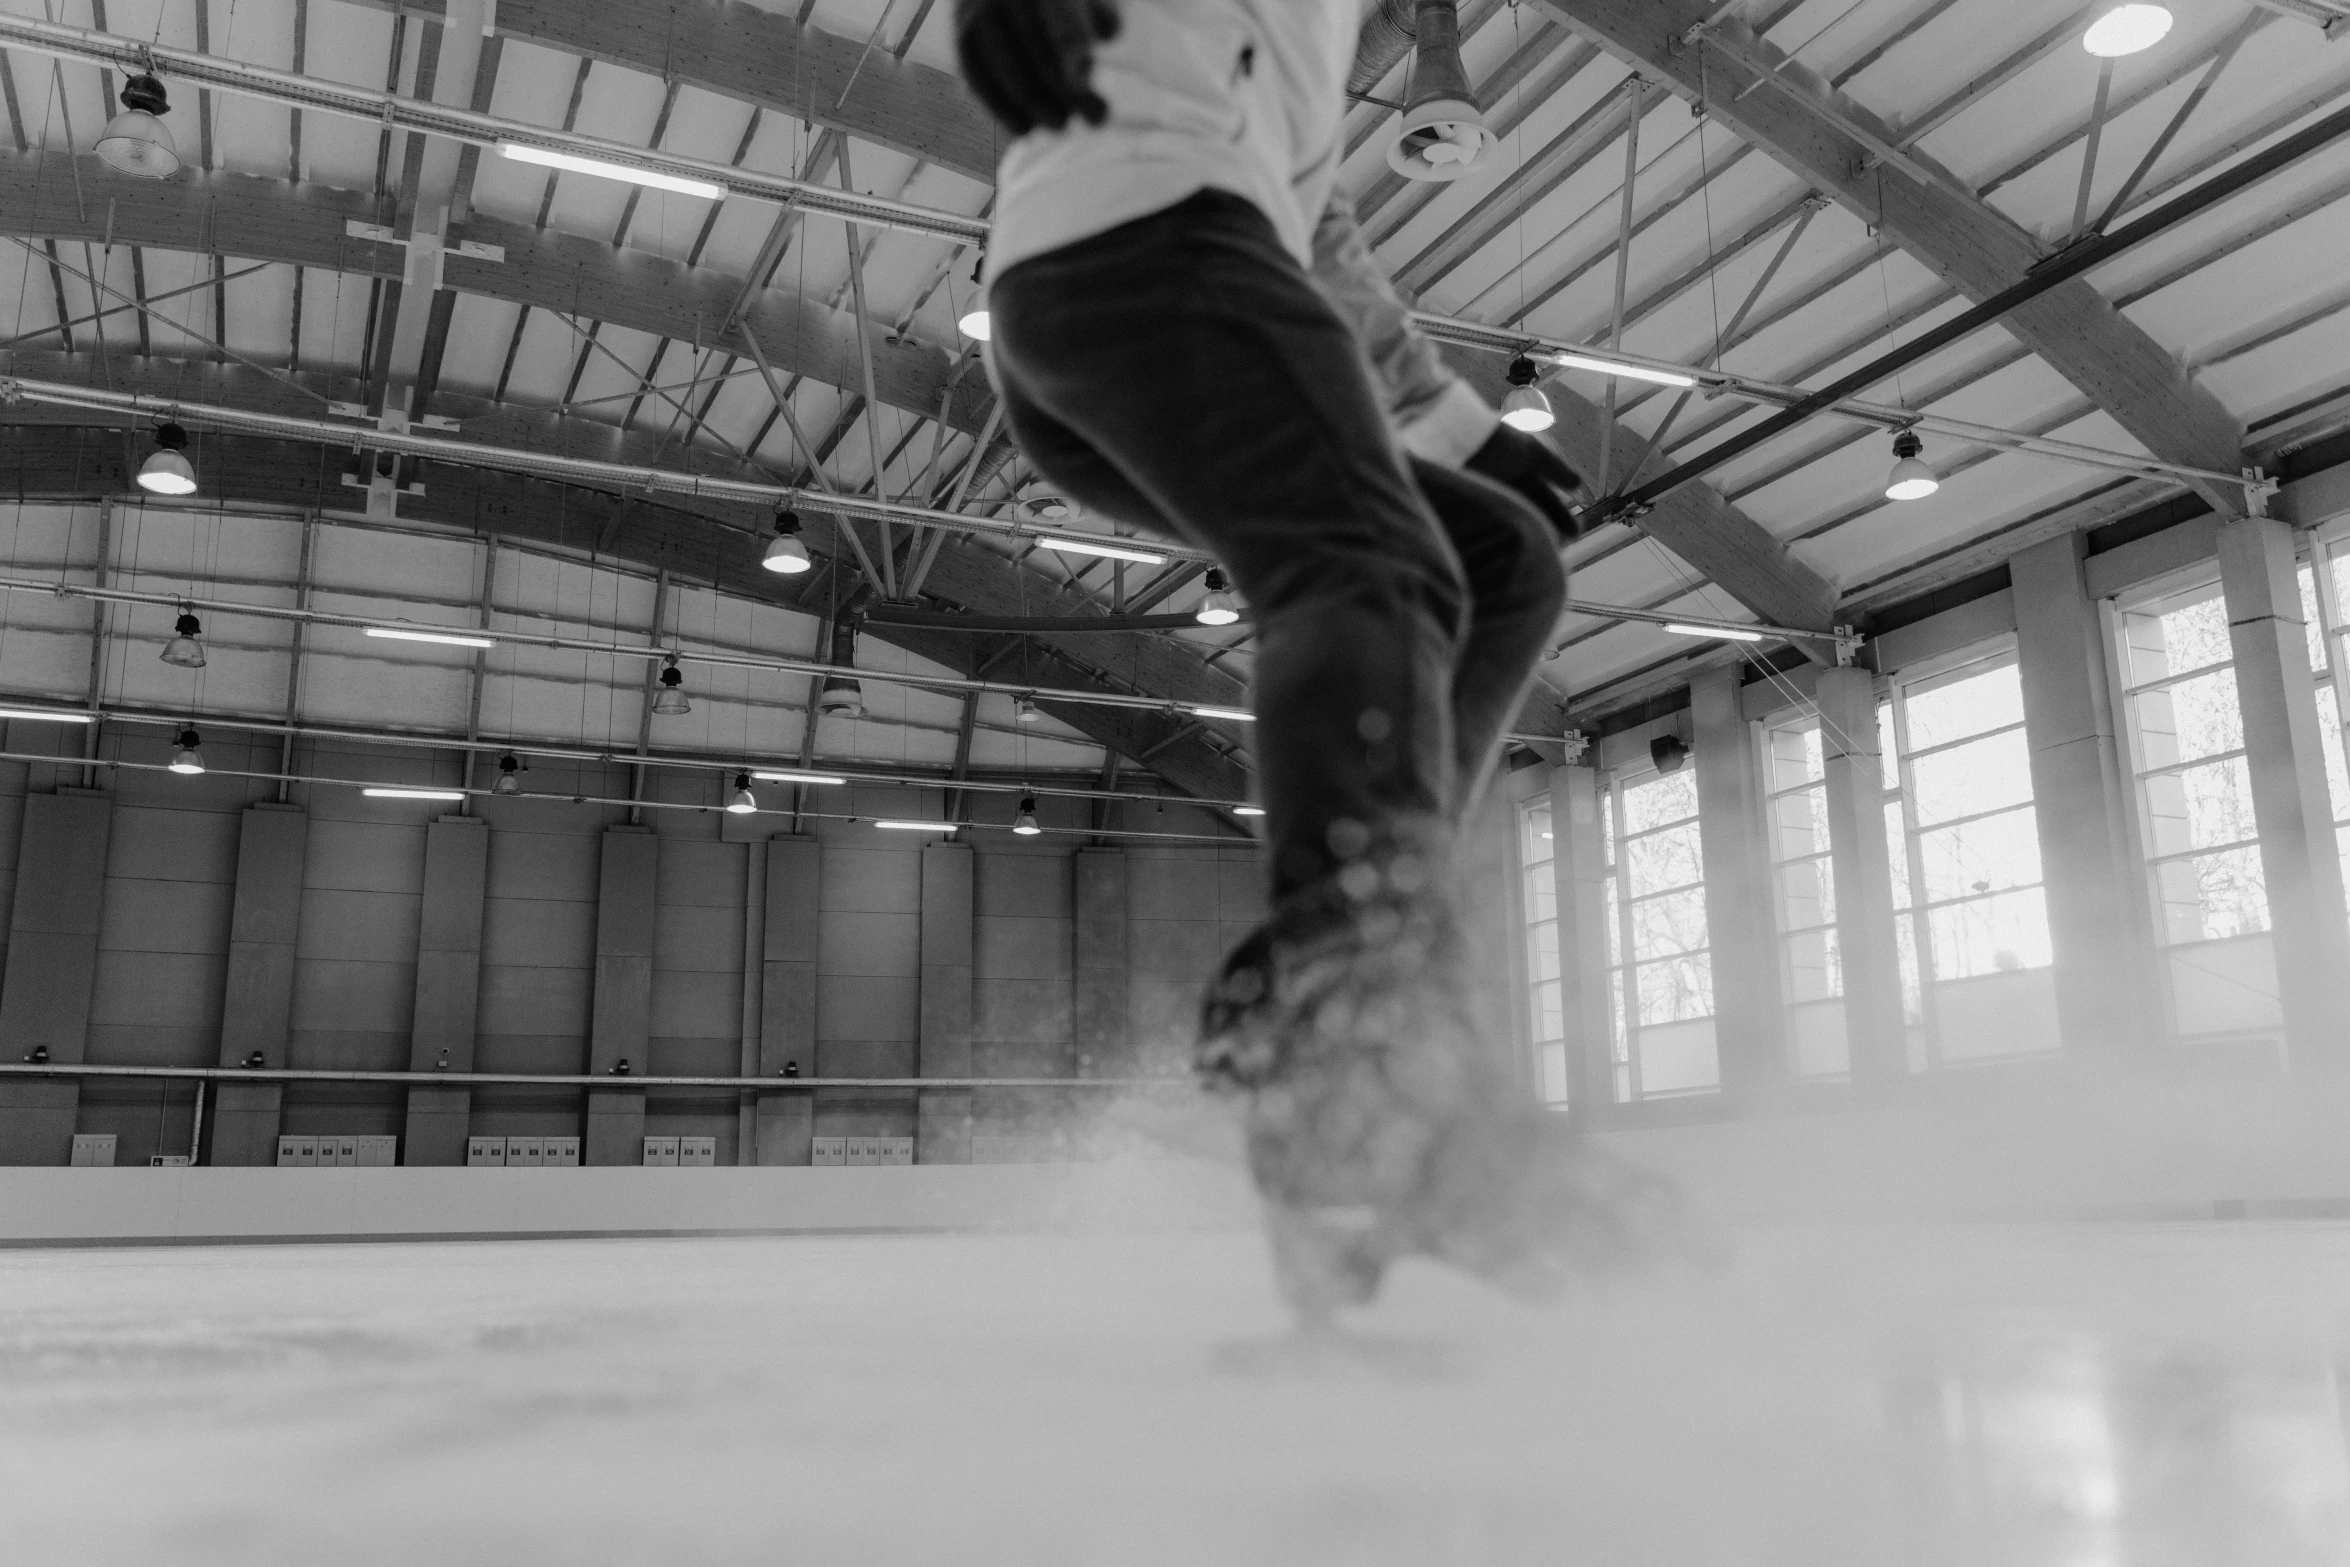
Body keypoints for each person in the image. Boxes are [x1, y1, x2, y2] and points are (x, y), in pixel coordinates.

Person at [956, 0, 1700, 1321]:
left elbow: (1320, 234)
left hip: (1135, 283)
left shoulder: (1315, 36)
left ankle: (1359, 983)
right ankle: (1360, 1057)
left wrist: (1459, 426)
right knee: (1365, 572)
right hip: (1146, 244)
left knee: (1495, 563)